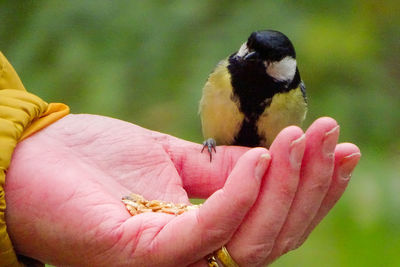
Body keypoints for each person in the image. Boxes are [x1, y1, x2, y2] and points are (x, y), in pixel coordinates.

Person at [1, 52, 360, 266]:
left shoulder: (293, 93)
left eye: (265, 60)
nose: (251, 59)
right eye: (250, 51)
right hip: (219, 150)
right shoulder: (226, 73)